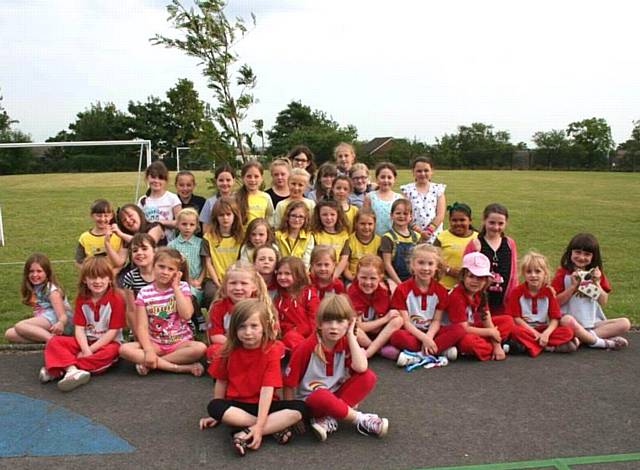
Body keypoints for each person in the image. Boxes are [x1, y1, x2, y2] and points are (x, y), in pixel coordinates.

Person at [200, 299, 306, 457]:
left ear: (264, 327)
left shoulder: (271, 350)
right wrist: (215, 415)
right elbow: (221, 381)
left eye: (254, 326)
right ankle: (273, 428)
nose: (248, 332)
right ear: (234, 329)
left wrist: (259, 425)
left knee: (300, 409)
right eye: (242, 326)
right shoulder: (226, 351)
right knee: (215, 406)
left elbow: (267, 389)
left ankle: (243, 433)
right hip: (238, 405)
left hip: (265, 404)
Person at [283, 294, 389, 441]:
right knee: (321, 394)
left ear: (349, 323)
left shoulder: (345, 342)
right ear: (319, 323)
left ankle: (329, 419)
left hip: (334, 397)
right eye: (328, 321)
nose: (334, 326)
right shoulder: (307, 347)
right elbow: (289, 384)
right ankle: (360, 419)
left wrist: (351, 335)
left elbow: (361, 367)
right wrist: (293, 415)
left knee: (368, 377)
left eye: (340, 321)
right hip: (312, 403)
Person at [40, 257, 125, 392]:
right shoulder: (82, 298)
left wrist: (89, 351)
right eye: (92, 277)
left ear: (109, 279)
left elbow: (112, 332)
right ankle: (72, 370)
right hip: (85, 341)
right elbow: (79, 328)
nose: (98, 281)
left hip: (108, 343)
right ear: (85, 280)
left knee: (110, 353)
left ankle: (61, 368)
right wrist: (85, 349)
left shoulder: (117, 299)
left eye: (102, 277)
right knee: (54, 341)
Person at [119, 248, 207, 375]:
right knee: (124, 349)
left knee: (200, 348)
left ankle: (153, 364)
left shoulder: (182, 287)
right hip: (155, 343)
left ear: (177, 273)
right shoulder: (144, 293)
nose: (165, 272)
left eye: (171, 269)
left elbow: (187, 315)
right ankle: (179, 368)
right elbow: (142, 327)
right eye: (161, 267)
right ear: (153, 266)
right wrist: (148, 350)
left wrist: (175, 287)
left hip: (180, 343)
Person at [553, 233, 630, 350]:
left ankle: (583, 339)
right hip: (572, 321)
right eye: (577, 252)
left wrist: (597, 283)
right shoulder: (563, 273)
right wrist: (573, 287)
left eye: (587, 254)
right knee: (566, 320)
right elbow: (555, 303)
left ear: (593, 257)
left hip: (593, 322)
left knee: (625, 323)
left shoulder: (596, 274)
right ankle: (601, 341)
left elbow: (603, 301)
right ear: (570, 253)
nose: (581, 257)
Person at [390, 245, 465, 366]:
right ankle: (437, 350)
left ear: (436, 267)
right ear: (412, 265)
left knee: (459, 330)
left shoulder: (440, 291)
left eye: (430, 264)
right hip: (412, 333)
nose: (425, 268)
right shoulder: (402, 289)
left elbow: (436, 321)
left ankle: (420, 354)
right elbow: (406, 323)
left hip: (433, 332)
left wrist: (428, 337)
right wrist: (424, 339)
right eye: (420, 263)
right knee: (397, 336)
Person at [446, 252, 514, 361]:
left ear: (486, 280)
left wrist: (496, 344)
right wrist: (490, 333)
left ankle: (492, 346)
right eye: (471, 276)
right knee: (468, 343)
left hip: (472, 328)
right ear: (463, 276)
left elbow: (487, 319)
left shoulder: (480, 293)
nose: (475, 281)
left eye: (480, 278)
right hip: (455, 333)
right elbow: (462, 328)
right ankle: (492, 347)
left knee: (507, 321)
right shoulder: (456, 296)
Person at [506, 251, 577, 356]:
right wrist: (534, 333)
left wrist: (546, 334)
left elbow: (555, 318)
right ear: (523, 274)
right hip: (526, 328)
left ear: (545, 273)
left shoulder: (549, 292)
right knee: (515, 331)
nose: (533, 275)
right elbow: (516, 318)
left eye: (538, 271)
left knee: (568, 332)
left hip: (543, 328)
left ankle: (529, 346)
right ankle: (548, 347)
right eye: (529, 272)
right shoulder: (517, 292)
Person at [206, 260, 274, 360]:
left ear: (254, 286)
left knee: (276, 347)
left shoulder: (261, 306)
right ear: (225, 286)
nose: (238, 288)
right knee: (213, 350)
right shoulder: (218, 307)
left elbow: (270, 333)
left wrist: (251, 344)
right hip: (230, 345)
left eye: (244, 283)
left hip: (255, 345)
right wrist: (238, 345)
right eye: (233, 283)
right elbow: (215, 336)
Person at [5, 253, 73, 343]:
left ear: (47, 273)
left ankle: (54, 341)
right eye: (31, 271)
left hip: (60, 323)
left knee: (20, 326)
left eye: (39, 271)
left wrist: (60, 323)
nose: (35, 274)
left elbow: (63, 316)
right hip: (47, 320)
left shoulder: (52, 290)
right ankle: (51, 339)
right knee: (10, 334)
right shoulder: (35, 288)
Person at [465, 203, 517, 315]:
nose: (496, 227)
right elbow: (465, 274)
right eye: (492, 223)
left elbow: (513, 274)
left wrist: (513, 297)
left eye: (501, 223)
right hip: (480, 304)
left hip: (503, 303)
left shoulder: (509, 243)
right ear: (484, 221)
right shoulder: (475, 243)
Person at [347, 255, 403, 359]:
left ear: (381, 277)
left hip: (383, 333)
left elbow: (397, 316)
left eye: (373, 278)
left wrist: (387, 320)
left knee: (398, 320)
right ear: (357, 275)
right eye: (363, 277)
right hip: (364, 335)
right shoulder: (351, 290)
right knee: (352, 329)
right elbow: (358, 326)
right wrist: (385, 319)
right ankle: (379, 351)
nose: (368, 282)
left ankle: (367, 353)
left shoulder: (390, 287)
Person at [168, 208, 210, 331]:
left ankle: (198, 318)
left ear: (196, 226)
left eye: (191, 225)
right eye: (184, 224)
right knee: (187, 290)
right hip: (179, 281)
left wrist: (200, 280)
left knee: (193, 292)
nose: (187, 228)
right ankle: (194, 318)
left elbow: (204, 264)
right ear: (178, 225)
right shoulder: (172, 245)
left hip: (197, 280)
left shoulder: (200, 242)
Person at [273, 257, 319, 352]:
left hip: (309, 338)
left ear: (298, 275)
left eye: (287, 274)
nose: (282, 277)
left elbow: (315, 319)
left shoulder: (308, 294)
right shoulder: (279, 298)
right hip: (288, 339)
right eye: (279, 273)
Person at [108, 204, 164, 278]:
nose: (128, 220)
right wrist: (107, 243)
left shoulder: (156, 227)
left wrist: (121, 234)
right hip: (134, 270)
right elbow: (119, 262)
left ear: (139, 213)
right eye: (124, 220)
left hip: (155, 269)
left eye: (130, 215)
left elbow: (147, 242)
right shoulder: (126, 236)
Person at [400, 156, 446, 244]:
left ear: (432, 171)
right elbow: (405, 214)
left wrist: (429, 230)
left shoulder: (438, 189)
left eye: (426, 170)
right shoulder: (407, 190)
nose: (423, 174)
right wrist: (420, 232)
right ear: (413, 172)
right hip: (413, 234)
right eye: (419, 171)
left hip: (434, 235)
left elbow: (440, 214)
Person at [434, 202, 478, 289]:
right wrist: (448, 270)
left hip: (468, 287)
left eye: (462, 220)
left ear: (470, 220)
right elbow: (433, 259)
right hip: (443, 286)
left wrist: (465, 274)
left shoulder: (477, 238)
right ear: (449, 220)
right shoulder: (442, 237)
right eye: (454, 220)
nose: (458, 223)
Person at [203, 197, 244, 289]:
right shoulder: (208, 238)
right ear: (216, 217)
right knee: (211, 293)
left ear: (235, 215)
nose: (225, 218)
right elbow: (208, 263)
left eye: (228, 214)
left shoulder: (241, 237)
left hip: (235, 277)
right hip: (214, 279)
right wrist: (217, 283)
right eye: (221, 215)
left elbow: (241, 261)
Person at [379, 199, 421, 286]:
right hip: (393, 277)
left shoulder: (417, 237)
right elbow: (387, 264)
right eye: (398, 213)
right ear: (391, 215)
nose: (401, 216)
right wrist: (399, 284)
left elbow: (420, 261)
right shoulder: (388, 237)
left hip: (413, 277)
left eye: (405, 214)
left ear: (411, 217)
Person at [137, 160, 181, 242]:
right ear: (147, 177)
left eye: (160, 178)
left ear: (166, 180)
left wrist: (161, 223)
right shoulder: (143, 200)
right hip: (147, 238)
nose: (156, 181)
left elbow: (180, 223)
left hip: (167, 242)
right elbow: (139, 223)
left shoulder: (172, 198)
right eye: (153, 177)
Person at [120, 233, 156, 331]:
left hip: (165, 319)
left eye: (144, 248)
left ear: (154, 251)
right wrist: (138, 333)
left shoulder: (162, 273)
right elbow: (131, 310)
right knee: (125, 347)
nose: (139, 253)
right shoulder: (130, 277)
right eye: (135, 250)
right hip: (142, 323)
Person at [75, 199, 122, 268]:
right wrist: (90, 274)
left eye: (106, 216)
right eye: (99, 216)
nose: (102, 219)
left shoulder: (118, 236)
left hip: (114, 277)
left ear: (111, 216)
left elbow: (120, 263)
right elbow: (79, 262)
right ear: (92, 215)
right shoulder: (84, 237)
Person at [337, 209, 381, 282]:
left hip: (373, 278)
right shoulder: (349, 240)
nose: (366, 227)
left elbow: (381, 266)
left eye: (370, 224)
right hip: (353, 278)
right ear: (356, 224)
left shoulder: (379, 241)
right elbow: (345, 268)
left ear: (374, 224)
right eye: (362, 224)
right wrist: (353, 279)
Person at [363, 162, 402, 236]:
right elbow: (365, 218)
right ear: (377, 178)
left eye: (389, 177)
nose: (386, 180)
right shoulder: (370, 197)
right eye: (382, 177)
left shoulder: (398, 198)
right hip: (374, 237)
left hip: (393, 238)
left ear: (394, 179)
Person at [274, 201, 315, 269]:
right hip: (282, 271)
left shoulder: (309, 237)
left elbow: (307, 260)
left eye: (301, 217)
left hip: (300, 272)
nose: (296, 220)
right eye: (293, 216)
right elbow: (277, 257)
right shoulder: (277, 235)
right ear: (287, 216)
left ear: (305, 219)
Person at [236, 160, 274, 228]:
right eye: (249, 176)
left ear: (261, 178)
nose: (253, 180)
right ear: (242, 178)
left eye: (256, 176)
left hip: (259, 236)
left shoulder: (266, 197)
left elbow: (270, 218)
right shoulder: (235, 197)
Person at [200, 164, 235, 234]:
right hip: (216, 241)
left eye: (228, 180)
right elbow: (205, 228)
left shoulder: (239, 200)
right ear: (216, 181)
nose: (225, 183)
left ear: (233, 181)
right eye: (221, 180)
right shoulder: (210, 202)